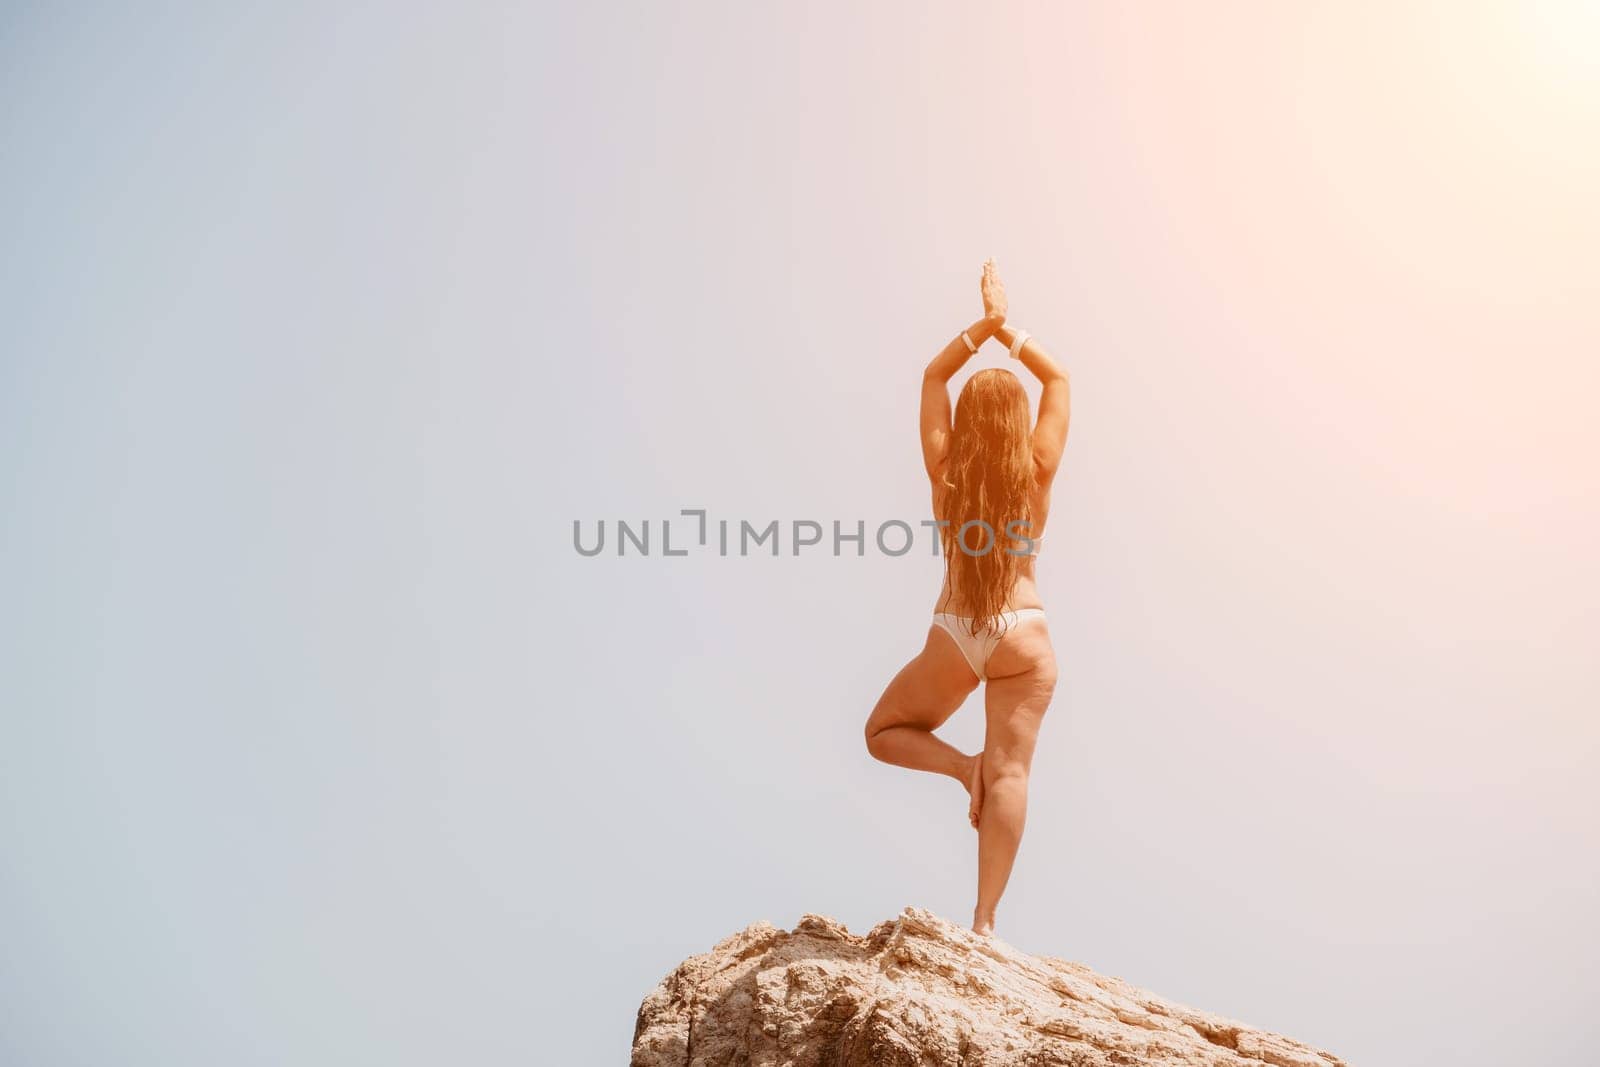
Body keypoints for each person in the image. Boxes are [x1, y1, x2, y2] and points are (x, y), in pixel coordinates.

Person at [864, 259, 1071, 936]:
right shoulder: (1036, 467)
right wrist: (1008, 332)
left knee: (880, 731)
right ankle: (983, 922)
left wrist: (978, 327)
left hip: (957, 627)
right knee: (1012, 775)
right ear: (1015, 423)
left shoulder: (946, 468)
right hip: (1024, 627)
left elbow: (930, 377)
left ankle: (962, 768)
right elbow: (1059, 378)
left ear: (967, 420)